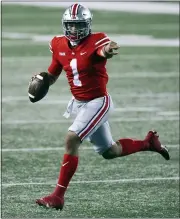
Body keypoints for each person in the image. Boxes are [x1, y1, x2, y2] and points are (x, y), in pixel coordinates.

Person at [35, 3, 170, 210]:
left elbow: (103, 49)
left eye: (78, 25)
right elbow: (53, 74)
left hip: (98, 102)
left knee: (72, 139)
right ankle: (148, 143)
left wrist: (108, 49)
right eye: (70, 25)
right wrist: (41, 81)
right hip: (81, 104)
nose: (74, 30)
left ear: (87, 25)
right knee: (110, 151)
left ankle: (58, 196)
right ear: (64, 25)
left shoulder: (96, 40)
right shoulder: (58, 44)